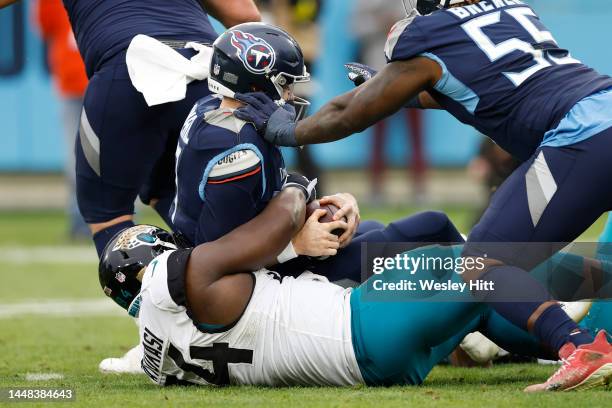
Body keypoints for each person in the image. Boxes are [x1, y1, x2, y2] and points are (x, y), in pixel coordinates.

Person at [233, 0, 612, 391]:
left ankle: (582, 347)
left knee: (482, 261)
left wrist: (289, 131)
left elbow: (348, 112)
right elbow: (478, 85)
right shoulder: (513, 9)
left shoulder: (428, 33)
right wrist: (395, 89)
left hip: (580, 139)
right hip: (602, 107)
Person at [98, 185, 612, 390]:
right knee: (479, 261)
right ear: (147, 267)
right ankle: (581, 341)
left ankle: (575, 324)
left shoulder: (156, 351)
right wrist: (298, 189)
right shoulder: (175, 280)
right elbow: (263, 232)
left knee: (470, 296)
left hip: (368, 360)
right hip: (361, 325)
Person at [34, 0, 89, 239]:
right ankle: (81, 221)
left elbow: (46, 29)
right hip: (76, 84)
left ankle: (116, 220)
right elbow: (46, 27)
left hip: (99, 79)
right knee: (78, 159)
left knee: (101, 156)